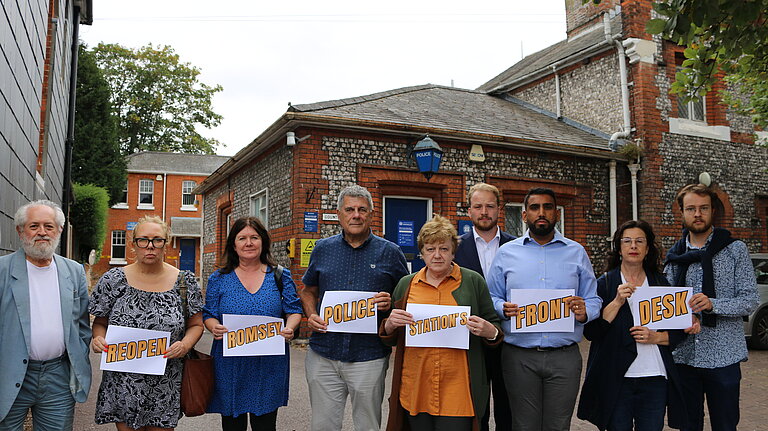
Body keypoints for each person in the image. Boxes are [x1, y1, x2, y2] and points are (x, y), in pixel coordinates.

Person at [486, 187, 601, 431]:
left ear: (556, 214)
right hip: (519, 356)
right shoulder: (507, 253)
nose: (542, 213)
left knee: (558, 426)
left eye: (548, 207)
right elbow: (491, 296)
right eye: (535, 207)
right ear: (525, 214)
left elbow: (594, 299)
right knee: (523, 426)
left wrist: (585, 312)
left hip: (564, 356)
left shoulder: (577, 252)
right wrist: (501, 308)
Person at [299, 184, 408, 431]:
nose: (355, 215)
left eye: (362, 210)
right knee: (323, 426)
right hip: (324, 353)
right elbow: (308, 290)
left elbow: (407, 296)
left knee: (368, 425)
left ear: (371, 214)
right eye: (349, 209)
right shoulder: (323, 248)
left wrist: (391, 303)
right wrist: (311, 314)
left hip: (368, 355)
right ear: (339, 214)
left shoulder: (391, 252)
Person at [381, 214, 503, 431]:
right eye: (430, 249)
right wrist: (390, 325)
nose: (437, 255)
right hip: (416, 387)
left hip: (457, 390)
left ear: (453, 252)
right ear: (422, 253)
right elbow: (390, 334)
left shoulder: (473, 281)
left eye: (444, 249)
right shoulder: (406, 284)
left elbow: (495, 329)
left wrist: (489, 331)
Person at [578, 220, 694, 430]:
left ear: (648, 248)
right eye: (628, 241)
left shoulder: (661, 284)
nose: (633, 246)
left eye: (640, 241)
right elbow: (592, 332)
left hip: (654, 377)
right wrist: (616, 302)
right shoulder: (603, 283)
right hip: (617, 378)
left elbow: (680, 333)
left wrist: (656, 337)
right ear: (619, 248)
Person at [90, 215, 204, 430]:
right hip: (123, 380)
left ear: (166, 244)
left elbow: (197, 324)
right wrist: (98, 338)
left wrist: (185, 345)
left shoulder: (184, 282)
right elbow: (100, 322)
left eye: (157, 240)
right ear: (134, 245)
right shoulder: (113, 280)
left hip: (166, 380)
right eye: (143, 240)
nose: (150, 246)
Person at [664, 184, 758, 431]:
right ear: (682, 213)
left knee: (725, 426)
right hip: (683, 355)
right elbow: (665, 302)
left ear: (712, 211)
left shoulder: (735, 250)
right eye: (691, 208)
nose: (697, 214)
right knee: (687, 425)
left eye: (703, 208)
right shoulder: (674, 255)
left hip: (723, 355)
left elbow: (750, 299)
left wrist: (712, 304)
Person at [203, 217, 302, 430]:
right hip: (230, 365)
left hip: (267, 364)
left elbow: (294, 311)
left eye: (254, 237)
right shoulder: (218, 278)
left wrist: (290, 327)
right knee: (232, 425)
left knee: (265, 425)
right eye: (242, 238)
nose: (249, 243)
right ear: (233, 244)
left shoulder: (280, 275)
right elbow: (208, 314)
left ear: (263, 242)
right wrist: (213, 327)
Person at [0, 200, 91, 430]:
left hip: (58, 377)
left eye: (49, 226)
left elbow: (81, 325)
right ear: (21, 231)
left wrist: (78, 354)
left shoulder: (74, 271)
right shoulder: (2, 270)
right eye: (34, 226)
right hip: (8, 373)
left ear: (59, 230)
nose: (42, 232)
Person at [453, 183, 514, 431]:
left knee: (507, 405)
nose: (484, 211)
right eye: (478, 206)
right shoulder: (455, 247)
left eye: (490, 206)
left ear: (499, 209)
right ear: (469, 211)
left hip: (508, 336)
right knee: (476, 407)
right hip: (469, 338)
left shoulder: (517, 247)